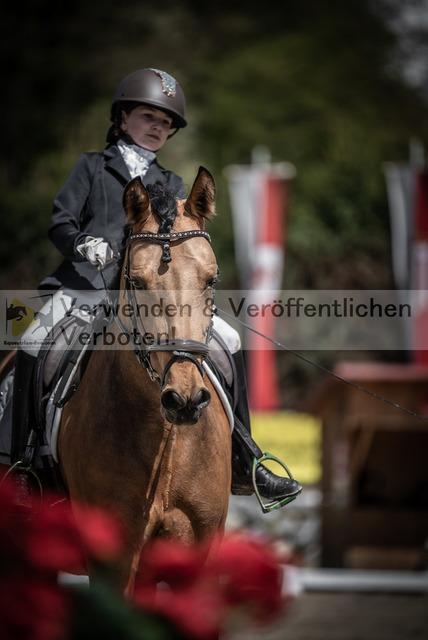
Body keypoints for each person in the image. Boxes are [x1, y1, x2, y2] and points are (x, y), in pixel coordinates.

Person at [11, 68, 301, 510]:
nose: (157, 127)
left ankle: (247, 458)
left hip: (151, 297)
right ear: (123, 118)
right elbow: (60, 223)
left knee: (229, 339)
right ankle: (24, 463)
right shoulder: (91, 166)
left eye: (165, 123)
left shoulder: (173, 183)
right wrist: (83, 243)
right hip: (83, 287)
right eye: (149, 117)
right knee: (32, 342)